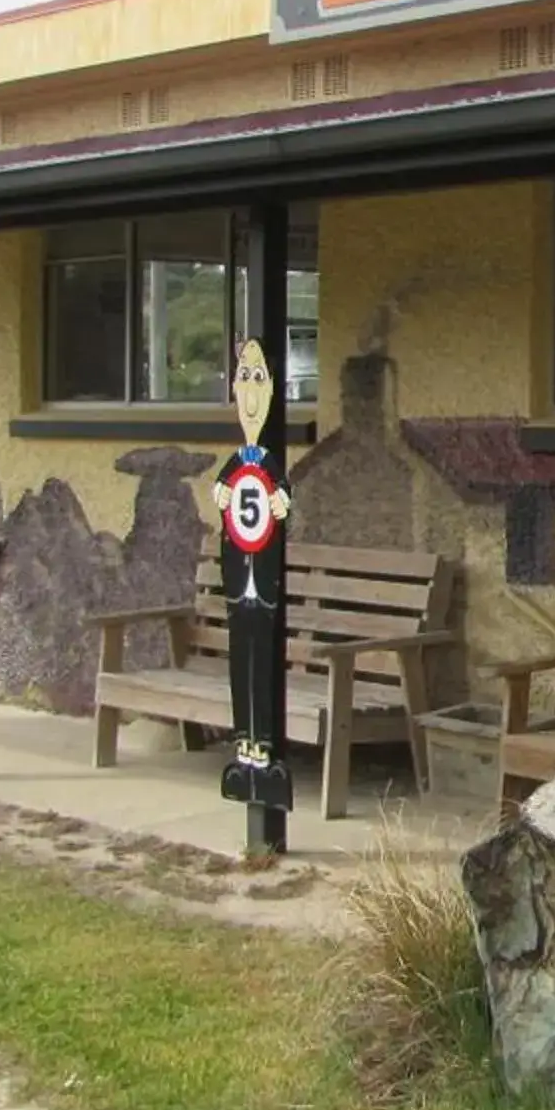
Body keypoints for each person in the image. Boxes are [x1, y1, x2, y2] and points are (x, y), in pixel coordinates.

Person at [214, 337, 295, 852]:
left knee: (262, 660)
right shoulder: (234, 466)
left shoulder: (270, 465)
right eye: (244, 378)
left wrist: (281, 500)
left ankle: (263, 748)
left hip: (264, 589)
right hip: (236, 588)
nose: (250, 390)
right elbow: (227, 499)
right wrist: (221, 493)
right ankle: (242, 745)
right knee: (238, 660)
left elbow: (280, 499)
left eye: (259, 378)